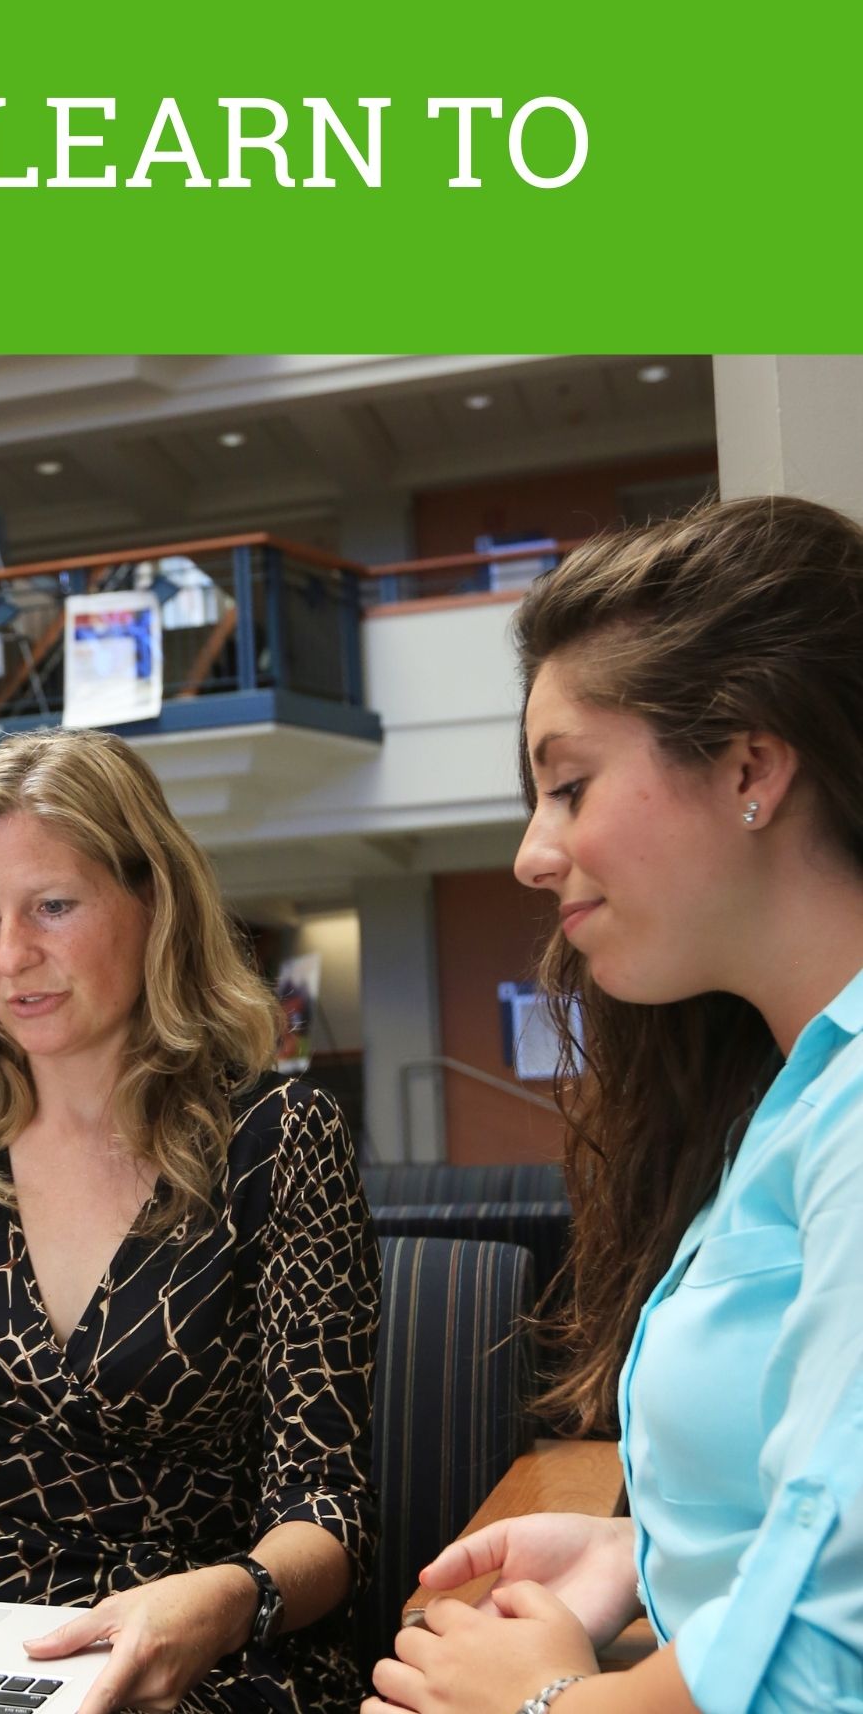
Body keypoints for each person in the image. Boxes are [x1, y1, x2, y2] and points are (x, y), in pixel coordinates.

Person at [0, 726, 380, 1714]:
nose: (13, 958)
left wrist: (228, 1601)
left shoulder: (277, 1137)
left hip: (211, 1658)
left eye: (54, 905)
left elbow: (327, 1507)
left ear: (152, 901)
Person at [365, 495, 863, 1714]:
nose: (536, 853)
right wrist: (635, 1557)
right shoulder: (792, 1092)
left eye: (570, 786)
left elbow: (829, 1665)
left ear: (751, 765)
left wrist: (540, 1705)